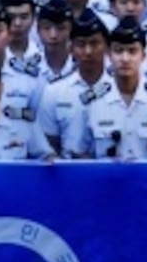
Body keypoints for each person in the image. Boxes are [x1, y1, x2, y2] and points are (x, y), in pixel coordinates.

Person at [71, 17, 147, 159]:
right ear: (109, 55)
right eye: (118, 51)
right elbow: (78, 151)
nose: (125, 58)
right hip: (107, 180)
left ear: (143, 56)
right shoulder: (91, 102)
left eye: (132, 51)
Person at [42, 9, 111, 155]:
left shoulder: (119, 89)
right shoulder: (54, 92)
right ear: (71, 49)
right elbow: (50, 145)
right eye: (81, 44)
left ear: (107, 47)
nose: (88, 51)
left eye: (94, 43)